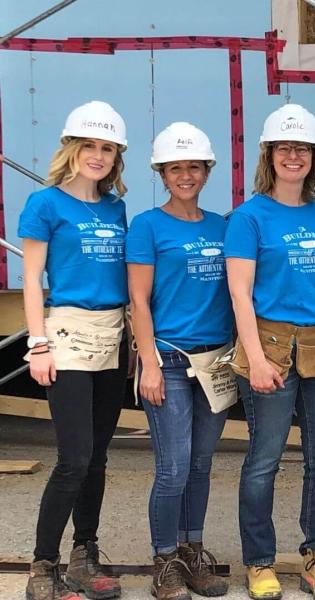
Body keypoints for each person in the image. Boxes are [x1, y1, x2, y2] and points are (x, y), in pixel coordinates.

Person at [225, 104, 315, 600]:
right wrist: (255, 359)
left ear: (314, 156)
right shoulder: (248, 216)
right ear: (269, 155)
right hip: (271, 347)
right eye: (284, 148)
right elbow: (240, 293)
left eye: (302, 148)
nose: (293, 156)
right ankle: (259, 561)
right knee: (265, 458)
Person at [21, 101, 129, 600]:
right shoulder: (45, 204)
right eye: (90, 145)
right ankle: (43, 565)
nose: (98, 156)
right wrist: (37, 342)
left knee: (98, 458)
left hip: (112, 334)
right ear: (71, 149)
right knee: (74, 458)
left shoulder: (115, 207)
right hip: (65, 334)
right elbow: (30, 278)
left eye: (107, 148)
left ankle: (85, 555)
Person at [127, 122, 233, 600]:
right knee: (173, 466)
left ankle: (192, 550)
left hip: (216, 362)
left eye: (193, 166)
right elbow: (139, 300)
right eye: (175, 168)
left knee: (201, 464)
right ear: (162, 173)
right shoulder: (148, 226)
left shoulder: (223, 226)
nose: (185, 175)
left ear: (207, 170)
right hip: (168, 359)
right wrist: (148, 362)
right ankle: (165, 559)